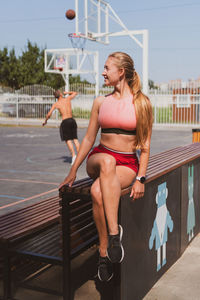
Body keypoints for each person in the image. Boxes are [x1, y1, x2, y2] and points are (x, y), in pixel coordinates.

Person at [59, 52, 153, 282]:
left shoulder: (142, 104)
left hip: (127, 163)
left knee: (96, 191)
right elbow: (90, 139)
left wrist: (140, 178)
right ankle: (114, 234)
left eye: (106, 68)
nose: (103, 72)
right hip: (100, 158)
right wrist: (73, 170)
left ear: (120, 72)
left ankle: (103, 253)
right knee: (107, 161)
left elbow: (145, 147)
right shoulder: (100, 102)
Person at [42, 90, 80, 165]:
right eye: (61, 92)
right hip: (72, 120)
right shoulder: (67, 99)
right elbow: (75, 93)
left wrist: (45, 121)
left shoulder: (56, 104)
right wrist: (68, 92)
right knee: (75, 139)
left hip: (65, 122)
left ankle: (74, 156)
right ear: (60, 95)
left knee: (68, 140)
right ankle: (80, 156)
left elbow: (48, 114)